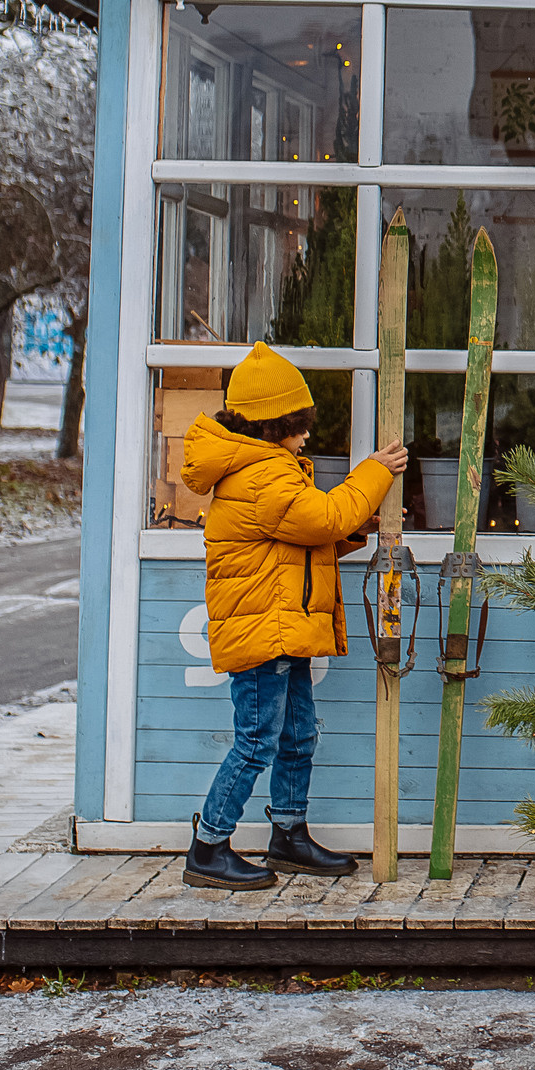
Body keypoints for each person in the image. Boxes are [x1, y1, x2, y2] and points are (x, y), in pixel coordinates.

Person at [182, 341, 408, 890]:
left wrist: (356, 528)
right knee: (258, 740)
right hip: (266, 630)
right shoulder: (264, 475)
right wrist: (373, 472)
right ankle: (209, 846)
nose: (307, 434)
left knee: (297, 734)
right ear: (272, 425)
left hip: (283, 626)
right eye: (299, 423)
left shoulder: (266, 468)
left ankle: (288, 834)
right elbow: (324, 517)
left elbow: (302, 539)